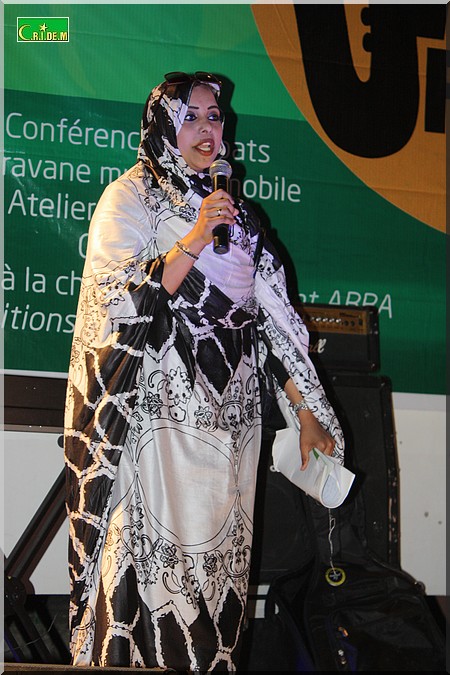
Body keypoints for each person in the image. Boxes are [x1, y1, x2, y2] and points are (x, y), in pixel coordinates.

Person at [64, 71, 345, 671]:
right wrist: (194, 238)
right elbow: (117, 302)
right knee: (152, 581)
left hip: (231, 434)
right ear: (162, 127)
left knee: (218, 594)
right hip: (157, 428)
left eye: (214, 116)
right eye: (189, 117)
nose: (205, 129)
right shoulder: (131, 197)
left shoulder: (241, 218)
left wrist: (304, 410)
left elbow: (270, 325)